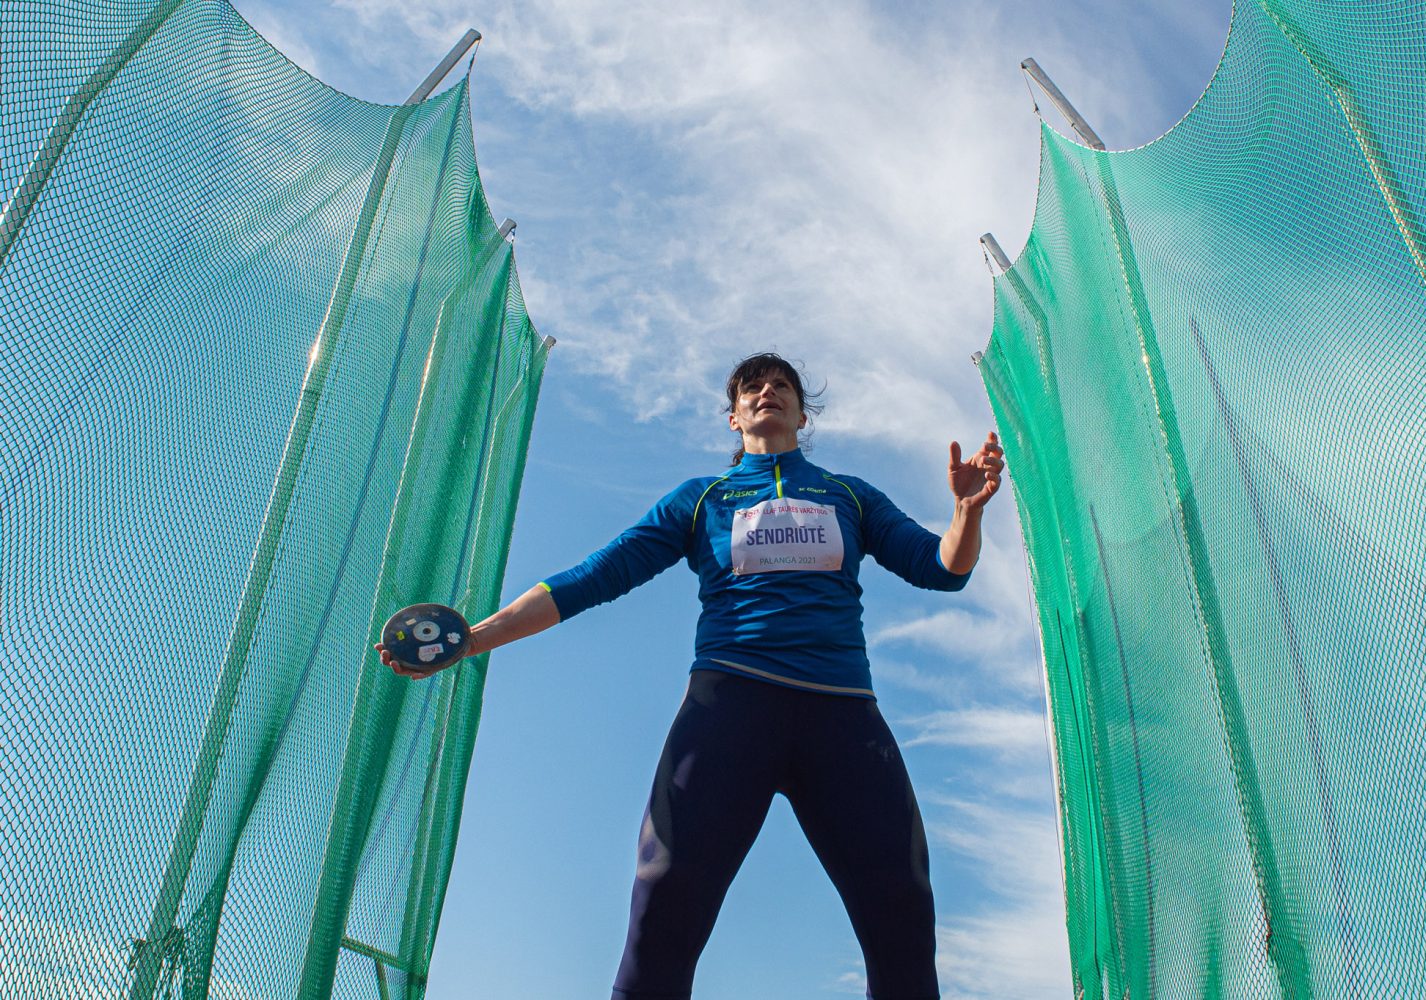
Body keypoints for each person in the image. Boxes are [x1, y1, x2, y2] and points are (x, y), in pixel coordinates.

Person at [377, 353, 1005, 1000]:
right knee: (665, 906)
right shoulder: (703, 498)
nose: (768, 392)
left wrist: (966, 513)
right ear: (734, 417)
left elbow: (941, 567)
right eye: (752, 388)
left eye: (782, 385)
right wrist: (474, 639)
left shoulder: (850, 495)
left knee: (901, 911)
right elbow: (595, 575)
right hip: (728, 711)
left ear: (802, 412)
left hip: (842, 717)